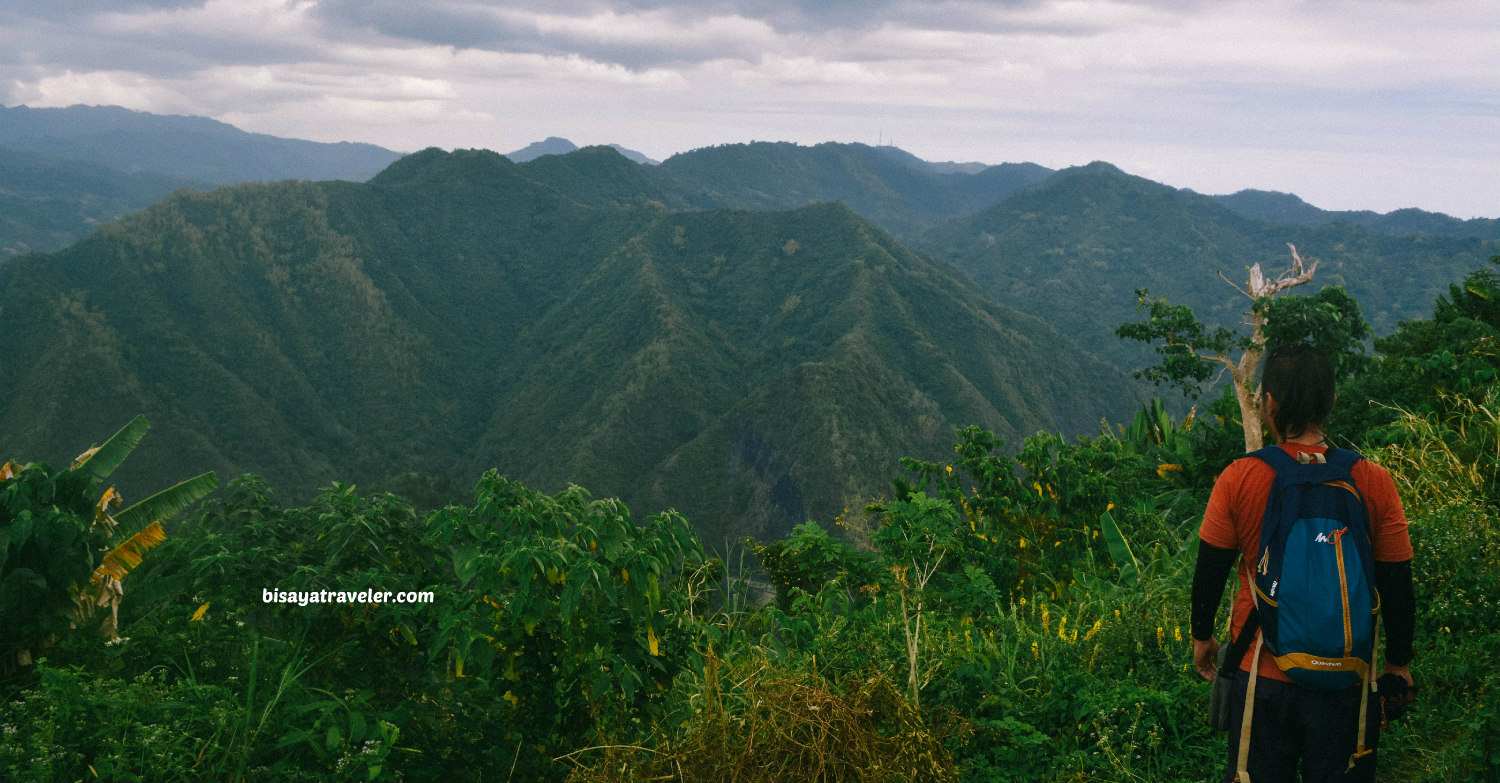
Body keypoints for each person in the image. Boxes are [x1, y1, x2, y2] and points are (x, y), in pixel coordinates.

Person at [1189, 342, 1416, 783]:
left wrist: (1203, 636)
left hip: (1263, 674)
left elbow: (1210, 568)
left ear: (1268, 403)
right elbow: (1396, 581)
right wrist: (1398, 663)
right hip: (1348, 680)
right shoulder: (1373, 481)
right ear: (1331, 401)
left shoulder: (1240, 477)